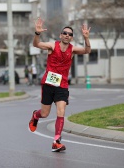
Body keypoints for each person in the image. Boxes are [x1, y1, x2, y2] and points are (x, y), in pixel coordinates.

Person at [29, 17, 91, 152]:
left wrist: (86, 38)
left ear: (72, 38)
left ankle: (56, 141)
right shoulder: (52, 46)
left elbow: (87, 51)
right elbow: (36, 45)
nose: (67, 35)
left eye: (70, 34)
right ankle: (35, 116)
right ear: (60, 35)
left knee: (61, 110)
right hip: (48, 84)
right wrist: (37, 33)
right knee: (44, 114)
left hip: (62, 85)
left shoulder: (73, 50)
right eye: (65, 33)